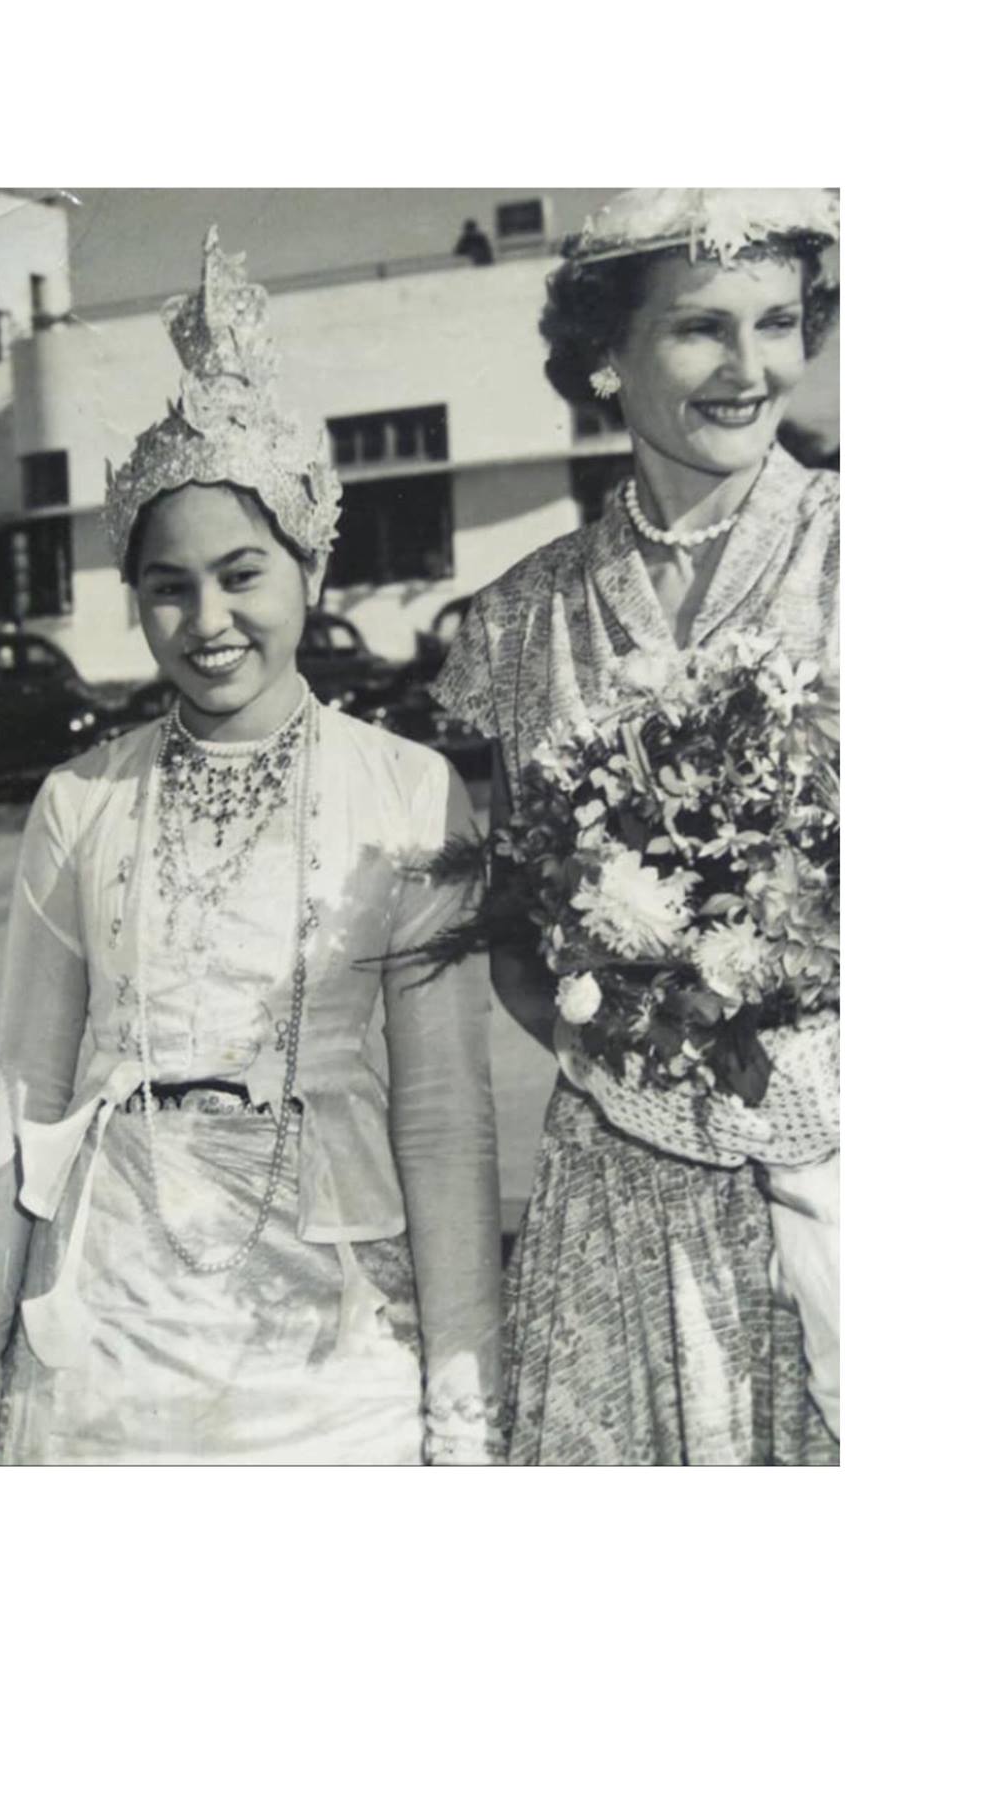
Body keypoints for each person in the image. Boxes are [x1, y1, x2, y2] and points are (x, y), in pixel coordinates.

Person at [0, 230, 504, 1465]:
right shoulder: (80, 798)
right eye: (168, 586)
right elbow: (25, 1098)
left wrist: (462, 1399)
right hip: (110, 1312)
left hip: (329, 1329)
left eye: (241, 574)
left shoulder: (407, 788)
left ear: (308, 566)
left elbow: (440, 1117)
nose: (206, 620)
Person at [434, 187, 841, 1464]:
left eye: (776, 323)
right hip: (614, 1181)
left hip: (849, 1168)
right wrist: (628, 1005)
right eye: (700, 328)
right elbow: (507, 925)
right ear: (604, 354)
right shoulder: (520, 618)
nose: (749, 367)